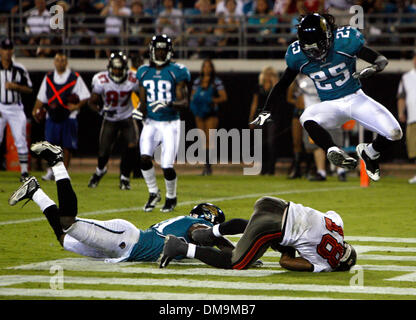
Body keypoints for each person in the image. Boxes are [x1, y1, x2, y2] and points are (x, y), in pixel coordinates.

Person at [8, 141, 232, 263]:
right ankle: (57, 161)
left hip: (123, 248)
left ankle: (35, 191)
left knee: (65, 238)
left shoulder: (185, 222)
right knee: (68, 222)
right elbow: (203, 235)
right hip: (126, 240)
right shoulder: (194, 225)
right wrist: (236, 252)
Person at [251, 13, 403, 182]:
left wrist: (376, 67)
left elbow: (380, 59)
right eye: (309, 48)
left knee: (394, 133)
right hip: (330, 106)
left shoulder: (345, 42)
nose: (315, 53)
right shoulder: (297, 56)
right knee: (306, 116)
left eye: (318, 46)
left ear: (328, 36)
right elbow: (282, 84)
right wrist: (265, 109)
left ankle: (370, 152)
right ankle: (332, 149)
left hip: (355, 98)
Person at [160, 195, 357, 272]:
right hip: (272, 226)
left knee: (262, 231)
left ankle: (213, 232)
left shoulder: (339, 226)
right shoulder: (327, 264)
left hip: (273, 203)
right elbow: (286, 263)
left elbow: (328, 215)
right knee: (236, 263)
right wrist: (287, 247)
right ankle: (181, 247)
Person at [136, 34, 191, 212]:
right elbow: (143, 103)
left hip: (170, 122)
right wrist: (138, 111)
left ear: (168, 51)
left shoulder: (177, 71)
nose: (160, 53)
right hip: (151, 122)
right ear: (152, 51)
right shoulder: (143, 71)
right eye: (157, 49)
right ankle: (153, 192)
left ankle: (171, 197)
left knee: (167, 165)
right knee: (144, 158)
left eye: (163, 49)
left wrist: (168, 103)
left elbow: (184, 103)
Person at [32, 52, 90, 181]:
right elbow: (41, 97)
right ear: (54, 62)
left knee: (67, 146)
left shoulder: (74, 77)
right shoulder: (49, 77)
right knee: (50, 146)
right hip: (51, 116)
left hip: (69, 116)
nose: (60, 63)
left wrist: (76, 106)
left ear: (66, 62)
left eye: (62, 60)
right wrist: (35, 109)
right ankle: (50, 171)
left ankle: (63, 173)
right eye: (57, 60)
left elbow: (85, 95)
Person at [88, 51, 140, 190]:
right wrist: (102, 110)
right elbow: (91, 102)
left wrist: (140, 109)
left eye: (119, 68)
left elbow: (143, 96)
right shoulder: (101, 79)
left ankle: (124, 178)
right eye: (115, 68)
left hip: (127, 116)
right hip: (110, 118)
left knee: (132, 145)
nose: (117, 71)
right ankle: (100, 171)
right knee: (104, 151)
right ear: (110, 67)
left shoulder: (133, 78)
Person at [287, 74, 347, 181]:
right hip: (315, 115)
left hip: (328, 112)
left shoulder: (323, 75)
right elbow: (292, 96)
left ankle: (340, 171)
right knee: (317, 145)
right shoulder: (301, 80)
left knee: (335, 143)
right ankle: (322, 172)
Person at [0, 38, 33, 181]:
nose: (7, 52)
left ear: (13, 50)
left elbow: (30, 89)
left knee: (20, 139)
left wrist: (16, 86)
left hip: (15, 107)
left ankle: (24, 172)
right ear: (1, 51)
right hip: (0, 105)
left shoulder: (19, 69)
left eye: (9, 49)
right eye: (5, 49)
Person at [190, 59, 227, 176]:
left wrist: (211, 100)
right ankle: (205, 166)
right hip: (199, 112)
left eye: (208, 67)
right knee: (202, 139)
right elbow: (192, 96)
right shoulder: (197, 81)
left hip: (211, 112)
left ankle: (208, 166)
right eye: (204, 67)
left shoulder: (216, 82)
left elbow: (224, 97)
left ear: (212, 68)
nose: (206, 69)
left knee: (210, 139)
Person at [249, 66, 278, 175]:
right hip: (260, 116)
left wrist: (274, 85)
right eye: (267, 74)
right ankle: (262, 167)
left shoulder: (276, 87)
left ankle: (271, 168)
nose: (268, 77)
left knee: (271, 142)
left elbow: (278, 101)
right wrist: (251, 118)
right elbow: (254, 103)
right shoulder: (259, 87)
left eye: (271, 74)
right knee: (260, 143)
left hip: (272, 116)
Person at [397, 50, 416, 184]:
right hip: (413, 118)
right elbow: (401, 97)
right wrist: (401, 112)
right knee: (414, 148)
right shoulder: (406, 77)